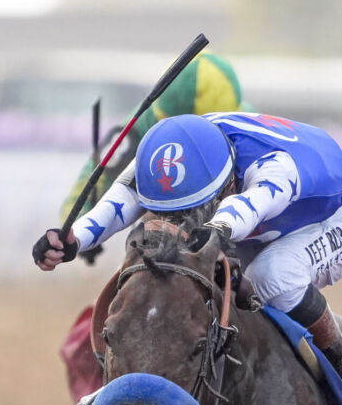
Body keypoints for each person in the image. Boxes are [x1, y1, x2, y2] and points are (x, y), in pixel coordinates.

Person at [33, 111, 342, 405]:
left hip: (325, 223)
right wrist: (73, 238)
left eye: (192, 208)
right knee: (156, 266)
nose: (181, 219)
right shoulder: (171, 148)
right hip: (246, 222)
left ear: (228, 184)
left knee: (271, 275)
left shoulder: (277, 169)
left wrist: (214, 230)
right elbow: (123, 197)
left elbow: (246, 208)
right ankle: (128, 381)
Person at [61, 51, 248, 265]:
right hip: (164, 213)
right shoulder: (143, 122)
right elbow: (99, 171)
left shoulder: (247, 126)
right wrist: (78, 228)